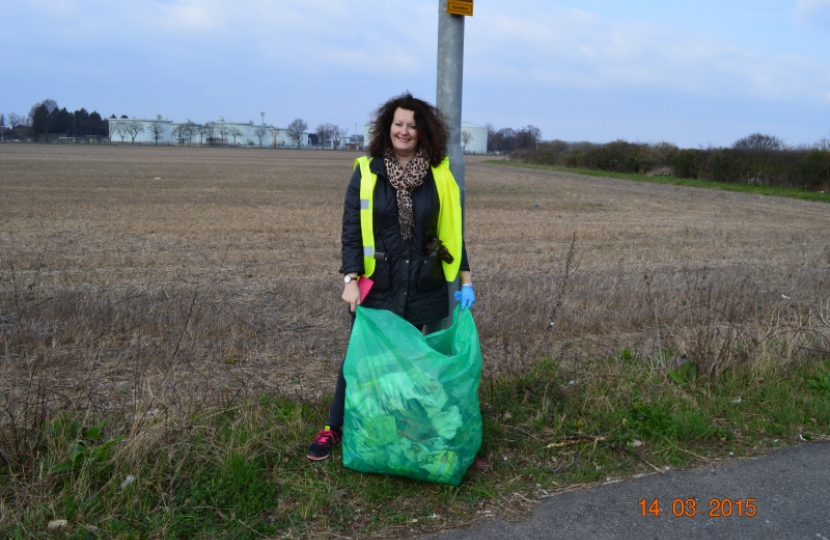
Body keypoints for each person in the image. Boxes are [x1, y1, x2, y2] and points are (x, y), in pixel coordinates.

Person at [306, 93, 476, 460]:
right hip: (377, 286)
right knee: (361, 360)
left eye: (412, 125)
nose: (404, 130)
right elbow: (351, 228)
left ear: (423, 131)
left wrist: (466, 280)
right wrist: (349, 278)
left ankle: (403, 430)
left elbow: (452, 231)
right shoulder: (368, 171)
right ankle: (335, 428)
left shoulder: (439, 173)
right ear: (387, 127)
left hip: (423, 285)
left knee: (413, 362)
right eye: (399, 123)